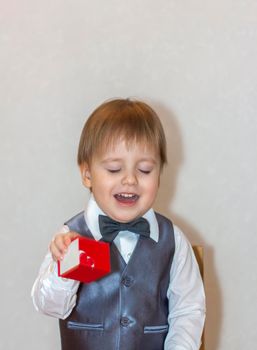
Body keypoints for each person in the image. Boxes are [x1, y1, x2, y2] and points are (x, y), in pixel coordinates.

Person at [31, 98, 205, 350]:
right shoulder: (72, 235)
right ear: (87, 174)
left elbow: (188, 310)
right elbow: (49, 306)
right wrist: (65, 267)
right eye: (114, 169)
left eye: (144, 170)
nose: (130, 179)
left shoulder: (173, 240)